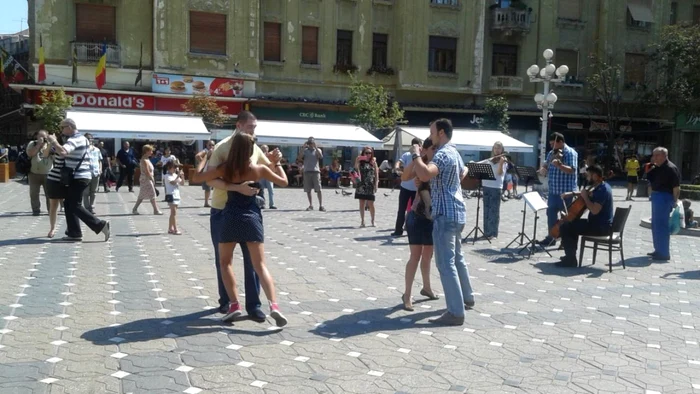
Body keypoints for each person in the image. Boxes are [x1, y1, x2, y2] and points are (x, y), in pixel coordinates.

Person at [192, 132, 289, 326]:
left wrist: (201, 161)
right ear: (251, 150)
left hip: (230, 217)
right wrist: (276, 163)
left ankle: (234, 305)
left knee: (225, 263)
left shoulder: (225, 168)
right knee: (260, 265)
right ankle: (274, 306)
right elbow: (284, 181)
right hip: (252, 217)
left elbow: (197, 178)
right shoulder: (258, 169)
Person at [412, 118, 474, 326]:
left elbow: (425, 174)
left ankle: (455, 312)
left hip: (445, 214)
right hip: (457, 213)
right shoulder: (454, 153)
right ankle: (467, 297)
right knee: (457, 258)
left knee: (445, 263)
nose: (429, 137)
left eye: (431, 133)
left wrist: (415, 155)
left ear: (440, 133)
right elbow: (463, 172)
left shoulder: (444, 153)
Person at [45, 118, 110, 242]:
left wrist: (54, 142)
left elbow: (63, 152)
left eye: (62, 128)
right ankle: (74, 233)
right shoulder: (82, 138)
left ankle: (100, 225)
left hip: (79, 177)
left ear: (69, 127)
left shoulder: (76, 139)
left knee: (74, 204)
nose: (61, 131)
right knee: (69, 204)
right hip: (80, 176)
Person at [399, 138, 439, 311]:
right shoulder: (421, 164)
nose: (436, 151)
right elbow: (405, 177)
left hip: (432, 218)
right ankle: (407, 294)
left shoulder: (439, 164)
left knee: (428, 255)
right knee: (415, 256)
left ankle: (426, 287)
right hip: (417, 215)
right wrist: (417, 157)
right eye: (433, 148)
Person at [556, 165, 614, 267]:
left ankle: (570, 260)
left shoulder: (602, 190)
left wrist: (585, 197)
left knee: (566, 226)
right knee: (571, 224)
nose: (586, 178)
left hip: (600, 228)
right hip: (599, 224)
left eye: (588, 175)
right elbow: (588, 193)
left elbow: (594, 210)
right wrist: (572, 193)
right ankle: (570, 257)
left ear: (595, 176)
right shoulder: (601, 186)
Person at [538, 133, 578, 246]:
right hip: (553, 191)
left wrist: (559, 165)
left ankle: (565, 240)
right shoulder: (551, 153)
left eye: (553, 144)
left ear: (560, 142)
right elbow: (546, 165)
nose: (551, 147)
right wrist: (543, 169)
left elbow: (572, 170)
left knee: (565, 218)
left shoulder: (570, 152)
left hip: (566, 192)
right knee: (550, 214)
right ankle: (552, 237)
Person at [646, 147, 681, 261]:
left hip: (665, 197)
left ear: (664, 155)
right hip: (656, 196)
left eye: (657, 155)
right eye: (653, 155)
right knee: (655, 225)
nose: (654, 157)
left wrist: (674, 201)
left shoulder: (671, 168)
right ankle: (658, 249)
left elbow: (676, 187)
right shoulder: (656, 167)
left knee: (662, 226)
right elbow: (649, 179)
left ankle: (664, 253)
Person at [392, 137, 423, 237]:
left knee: (414, 211)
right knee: (402, 209)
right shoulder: (407, 154)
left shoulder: (421, 156)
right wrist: (397, 168)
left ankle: (412, 229)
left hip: (416, 188)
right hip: (405, 187)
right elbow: (399, 162)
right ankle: (398, 230)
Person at [478, 142, 507, 240]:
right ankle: (486, 232)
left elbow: (499, 173)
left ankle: (493, 233)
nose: (497, 150)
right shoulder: (489, 160)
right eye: (495, 148)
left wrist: (501, 163)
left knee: (493, 211)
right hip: (486, 186)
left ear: (502, 150)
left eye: (499, 148)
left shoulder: (504, 161)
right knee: (486, 210)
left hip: (496, 187)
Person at [26, 130, 53, 216]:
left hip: (48, 173)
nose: (42, 139)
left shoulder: (50, 145)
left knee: (49, 193)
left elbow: (56, 156)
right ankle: (36, 209)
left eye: (44, 137)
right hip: (34, 173)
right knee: (34, 193)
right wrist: (38, 145)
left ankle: (50, 210)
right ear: (37, 137)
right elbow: (30, 154)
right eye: (40, 137)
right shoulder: (32, 144)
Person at [131, 145, 163, 215]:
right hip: (146, 179)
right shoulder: (144, 160)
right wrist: (152, 179)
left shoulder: (147, 159)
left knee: (142, 195)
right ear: (146, 151)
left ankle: (135, 208)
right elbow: (147, 171)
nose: (152, 152)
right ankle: (156, 210)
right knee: (152, 194)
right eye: (150, 151)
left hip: (146, 179)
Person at [354, 146, 379, 227]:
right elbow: (355, 170)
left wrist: (376, 184)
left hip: (370, 184)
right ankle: (362, 221)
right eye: (366, 153)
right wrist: (356, 161)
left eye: (370, 153)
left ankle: (373, 220)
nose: (368, 154)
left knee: (371, 204)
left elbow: (376, 174)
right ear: (363, 153)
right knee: (362, 203)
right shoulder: (360, 161)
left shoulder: (373, 162)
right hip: (361, 184)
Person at [299, 137, 325, 211]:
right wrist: (303, 148)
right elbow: (299, 157)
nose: (311, 144)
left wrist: (316, 147)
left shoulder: (318, 150)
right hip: (307, 171)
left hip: (316, 171)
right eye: (309, 143)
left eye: (312, 143)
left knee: (319, 189)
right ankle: (310, 205)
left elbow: (320, 156)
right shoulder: (305, 151)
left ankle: (321, 205)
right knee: (308, 189)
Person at [82, 133, 102, 214]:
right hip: (85, 173)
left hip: (95, 172)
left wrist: (100, 169)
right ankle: (87, 208)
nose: (89, 140)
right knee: (86, 192)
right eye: (87, 139)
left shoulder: (97, 150)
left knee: (94, 191)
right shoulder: (82, 150)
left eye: (90, 139)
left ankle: (92, 206)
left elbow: (99, 160)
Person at [164, 160, 185, 234]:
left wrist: (182, 176)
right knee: (174, 213)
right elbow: (172, 183)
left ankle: (170, 228)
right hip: (171, 195)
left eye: (176, 167)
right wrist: (178, 175)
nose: (175, 168)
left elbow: (182, 183)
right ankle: (175, 229)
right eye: (174, 167)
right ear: (169, 167)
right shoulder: (167, 176)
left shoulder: (175, 175)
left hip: (176, 195)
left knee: (172, 213)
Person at [257, 145, 277, 209]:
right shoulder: (259, 155)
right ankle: (262, 204)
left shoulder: (270, 156)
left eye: (265, 148)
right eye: (262, 149)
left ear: (268, 149)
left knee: (271, 190)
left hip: (269, 174)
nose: (264, 150)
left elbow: (273, 163)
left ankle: (272, 204)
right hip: (261, 174)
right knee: (261, 190)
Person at [197, 140, 215, 207]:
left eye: (212, 145)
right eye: (209, 145)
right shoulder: (205, 151)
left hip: (212, 172)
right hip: (207, 172)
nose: (211, 146)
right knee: (208, 188)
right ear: (206, 145)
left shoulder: (213, 151)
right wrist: (204, 162)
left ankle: (208, 202)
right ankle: (206, 202)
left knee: (212, 187)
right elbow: (198, 156)